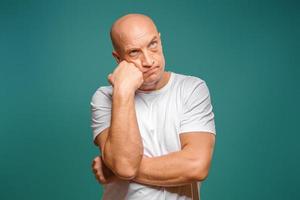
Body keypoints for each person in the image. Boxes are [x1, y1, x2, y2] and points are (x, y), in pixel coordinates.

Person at [90, 13, 216, 200]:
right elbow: (124, 165)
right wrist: (123, 92)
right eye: (134, 52)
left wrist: (115, 167)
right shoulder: (104, 97)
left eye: (152, 44)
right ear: (118, 59)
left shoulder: (191, 89)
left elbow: (196, 166)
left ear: (160, 40)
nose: (148, 61)